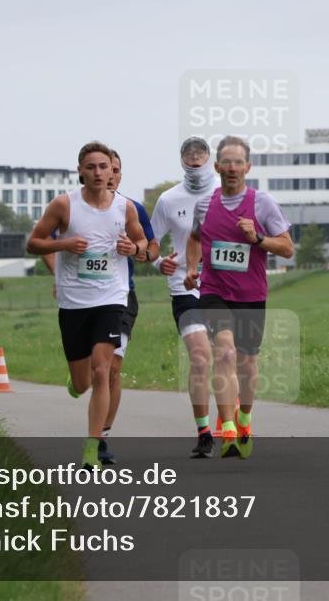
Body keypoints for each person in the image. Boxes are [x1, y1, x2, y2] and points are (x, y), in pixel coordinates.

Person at [26, 140, 147, 470]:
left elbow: (144, 246)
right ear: (80, 170)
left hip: (111, 298)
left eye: (103, 166)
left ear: (112, 170)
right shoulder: (64, 205)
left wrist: (132, 249)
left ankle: (93, 446)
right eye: (91, 167)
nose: (98, 172)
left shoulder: (126, 208)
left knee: (102, 369)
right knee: (82, 382)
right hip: (74, 302)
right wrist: (64, 243)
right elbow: (33, 243)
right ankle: (75, 383)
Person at [185, 135, 295, 459]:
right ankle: (228, 429)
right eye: (226, 162)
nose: (232, 168)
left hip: (250, 294)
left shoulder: (263, 204)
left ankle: (244, 417)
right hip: (214, 291)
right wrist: (192, 268)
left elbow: (287, 248)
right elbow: (194, 239)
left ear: (247, 167)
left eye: (238, 162)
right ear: (216, 166)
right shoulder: (204, 205)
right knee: (226, 354)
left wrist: (258, 238)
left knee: (247, 363)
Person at [151, 137, 221, 458]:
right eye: (189, 155)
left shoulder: (226, 194)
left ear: (209, 158)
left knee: (229, 358)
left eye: (200, 154)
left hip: (223, 287)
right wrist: (157, 262)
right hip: (185, 287)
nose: (194, 160)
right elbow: (149, 242)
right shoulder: (169, 200)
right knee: (200, 356)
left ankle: (234, 425)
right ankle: (205, 432)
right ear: (181, 160)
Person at [93, 150, 158, 465]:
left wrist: (136, 249)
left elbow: (152, 248)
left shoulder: (132, 208)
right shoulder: (74, 207)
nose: (110, 174)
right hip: (85, 298)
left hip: (121, 296)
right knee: (92, 372)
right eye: (105, 168)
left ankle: (102, 437)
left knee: (113, 368)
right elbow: (52, 242)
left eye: (115, 169)